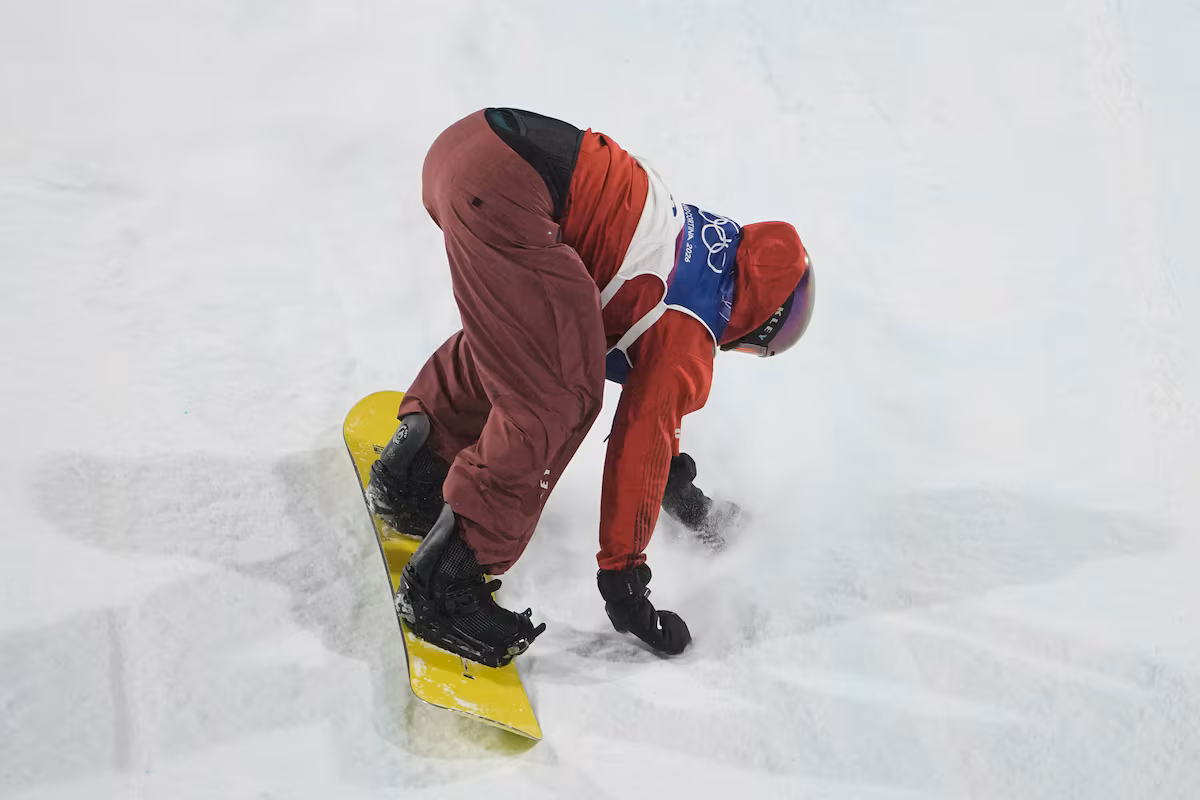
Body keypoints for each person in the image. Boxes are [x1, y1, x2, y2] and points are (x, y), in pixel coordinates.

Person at [366, 108, 814, 667]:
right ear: (761, 322)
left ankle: (415, 469)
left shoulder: (697, 245)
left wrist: (685, 499)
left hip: (469, 149)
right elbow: (640, 443)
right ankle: (446, 587)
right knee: (557, 394)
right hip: (507, 190)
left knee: (534, 341)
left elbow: (654, 424)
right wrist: (625, 584)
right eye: (779, 334)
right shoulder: (691, 331)